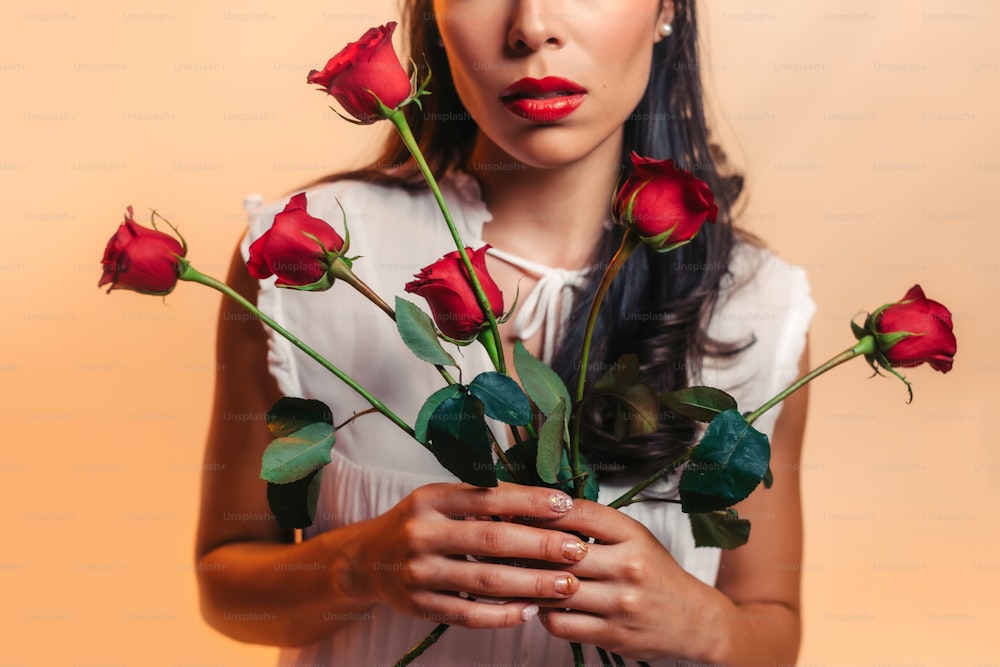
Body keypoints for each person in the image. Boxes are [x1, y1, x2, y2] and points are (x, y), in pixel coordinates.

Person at [195, 0, 814, 664]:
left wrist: (702, 622)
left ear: (666, 9)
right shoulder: (302, 258)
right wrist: (361, 563)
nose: (531, 27)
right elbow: (225, 581)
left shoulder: (753, 304)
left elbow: (772, 630)